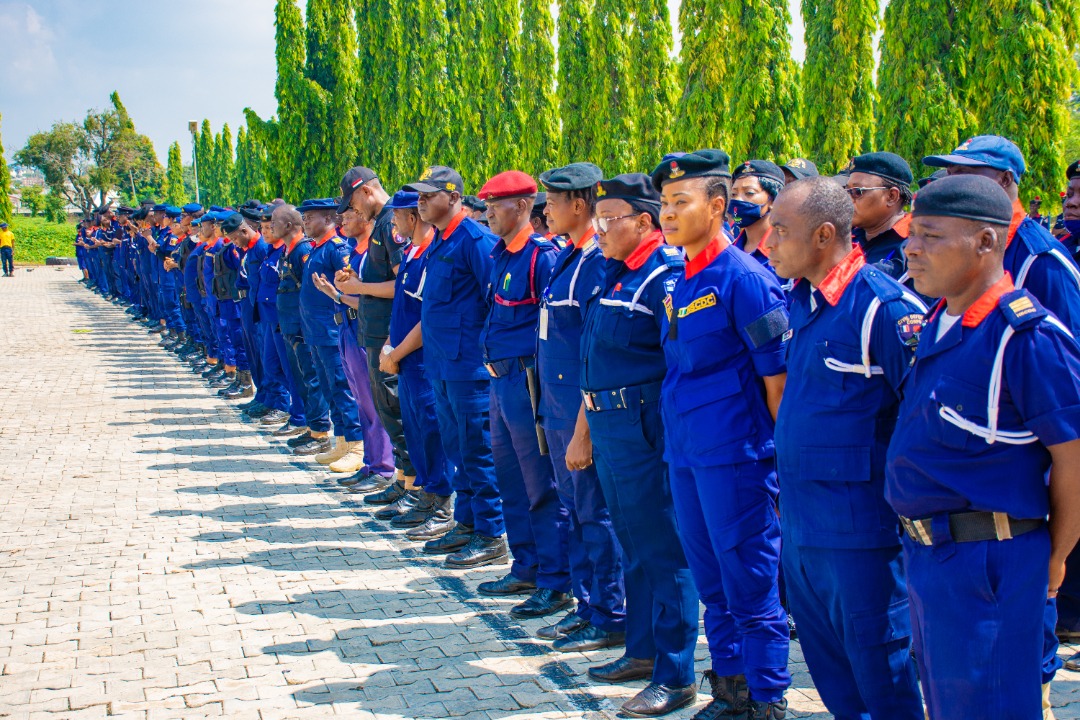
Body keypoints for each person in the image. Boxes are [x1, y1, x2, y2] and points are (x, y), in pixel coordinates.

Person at [886, 174, 1080, 720]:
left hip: (989, 559)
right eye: (910, 234)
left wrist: (1057, 556)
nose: (912, 248)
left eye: (931, 235)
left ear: (986, 242)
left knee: (988, 706)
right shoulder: (939, 320)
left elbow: (1074, 456)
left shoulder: (1025, 338)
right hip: (933, 556)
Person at [764, 176, 925, 720]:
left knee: (884, 678)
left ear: (824, 234)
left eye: (780, 231)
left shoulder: (883, 308)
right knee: (834, 677)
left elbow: (920, 421)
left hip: (862, 538)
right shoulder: (803, 301)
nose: (768, 243)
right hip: (805, 531)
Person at [654, 150, 791, 720]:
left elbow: (779, 382)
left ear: (716, 206)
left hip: (738, 460)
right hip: (687, 455)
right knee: (713, 584)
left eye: (679, 203)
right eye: (663, 204)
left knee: (751, 585)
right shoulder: (680, 279)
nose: (667, 214)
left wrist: (782, 465)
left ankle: (767, 698)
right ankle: (731, 691)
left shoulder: (746, 279)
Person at [581, 166, 698, 717]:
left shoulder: (663, 276)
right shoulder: (614, 271)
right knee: (633, 540)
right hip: (609, 425)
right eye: (599, 219)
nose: (599, 229)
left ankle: (676, 673)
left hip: (643, 425)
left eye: (610, 220)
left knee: (663, 547)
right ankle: (643, 650)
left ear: (643, 221)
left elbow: (678, 363)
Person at [535, 162, 627, 653]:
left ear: (579, 205)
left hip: (580, 414)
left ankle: (611, 612)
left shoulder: (596, 264)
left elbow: (593, 355)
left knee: (596, 514)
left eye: (553, 201)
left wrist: (581, 430)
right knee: (574, 511)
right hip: (555, 408)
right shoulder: (566, 258)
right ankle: (587, 605)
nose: (545, 210)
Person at [473, 170, 570, 619]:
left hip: (527, 381)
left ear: (524, 207)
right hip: (499, 381)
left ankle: (554, 579)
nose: (488, 211)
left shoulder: (540, 257)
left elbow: (548, 329)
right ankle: (526, 565)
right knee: (510, 479)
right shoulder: (499, 255)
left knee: (540, 484)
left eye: (497, 203)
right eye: (487, 203)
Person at [405, 165, 507, 567]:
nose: (422, 202)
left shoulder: (474, 240)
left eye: (429, 195)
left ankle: (491, 534)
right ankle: (466, 523)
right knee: (458, 450)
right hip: (443, 365)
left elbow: (494, 301)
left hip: (469, 369)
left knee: (477, 452)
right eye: (420, 196)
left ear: (454, 197)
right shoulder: (441, 239)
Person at [378, 190, 456, 541]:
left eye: (397, 217)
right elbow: (400, 310)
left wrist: (395, 353)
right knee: (415, 429)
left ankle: (441, 502)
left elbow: (426, 318)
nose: (393, 223)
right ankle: (425, 493)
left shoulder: (430, 256)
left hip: (422, 361)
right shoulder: (412, 252)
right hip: (404, 360)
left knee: (431, 431)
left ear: (413, 219)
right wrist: (388, 347)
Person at [333, 167, 413, 486]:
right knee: (383, 412)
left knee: (397, 416)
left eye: (352, 203)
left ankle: (411, 487)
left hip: (388, 337)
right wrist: (356, 283)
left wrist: (360, 289)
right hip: (373, 333)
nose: (353, 211)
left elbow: (403, 284)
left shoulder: (392, 220)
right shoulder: (382, 223)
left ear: (366, 191)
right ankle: (401, 483)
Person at [310, 205, 396, 478]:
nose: (342, 223)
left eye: (347, 217)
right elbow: (353, 294)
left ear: (363, 217)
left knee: (373, 400)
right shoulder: (357, 251)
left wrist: (344, 292)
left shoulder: (369, 252)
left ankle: (382, 465)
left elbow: (368, 298)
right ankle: (370, 461)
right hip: (348, 325)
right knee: (360, 397)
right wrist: (335, 293)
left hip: (364, 326)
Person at [297, 198, 365, 467]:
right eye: (304, 218)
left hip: (332, 330)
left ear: (328, 220)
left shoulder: (337, 249)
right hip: (316, 331)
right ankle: (342, 441)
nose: (305, 223)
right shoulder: (317, 249)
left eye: (309, 218)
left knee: (343, 388)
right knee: (329, 388)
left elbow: (351, 285)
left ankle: (357, 446)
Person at [272, 204, 333, 456]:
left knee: (312, 379)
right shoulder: (289, 251)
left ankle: (320, 432)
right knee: (302, 379)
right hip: (291, 326)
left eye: (274, 222)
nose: (271, 226)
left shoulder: (303, 251)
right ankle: (312, 427)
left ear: (288, 225)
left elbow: (312, 293)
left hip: (303, 328)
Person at [844, 152, 914, 282]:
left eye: (857, 192)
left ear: (892, 196)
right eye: (846, 191)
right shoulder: (845, 237)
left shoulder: (914, 245)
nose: (848, 200)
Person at [729, 160, 786, 274]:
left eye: (749, 193)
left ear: (774, 201)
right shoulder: (729, 251)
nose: (738, 200)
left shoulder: (785, 252)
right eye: (734, 194)